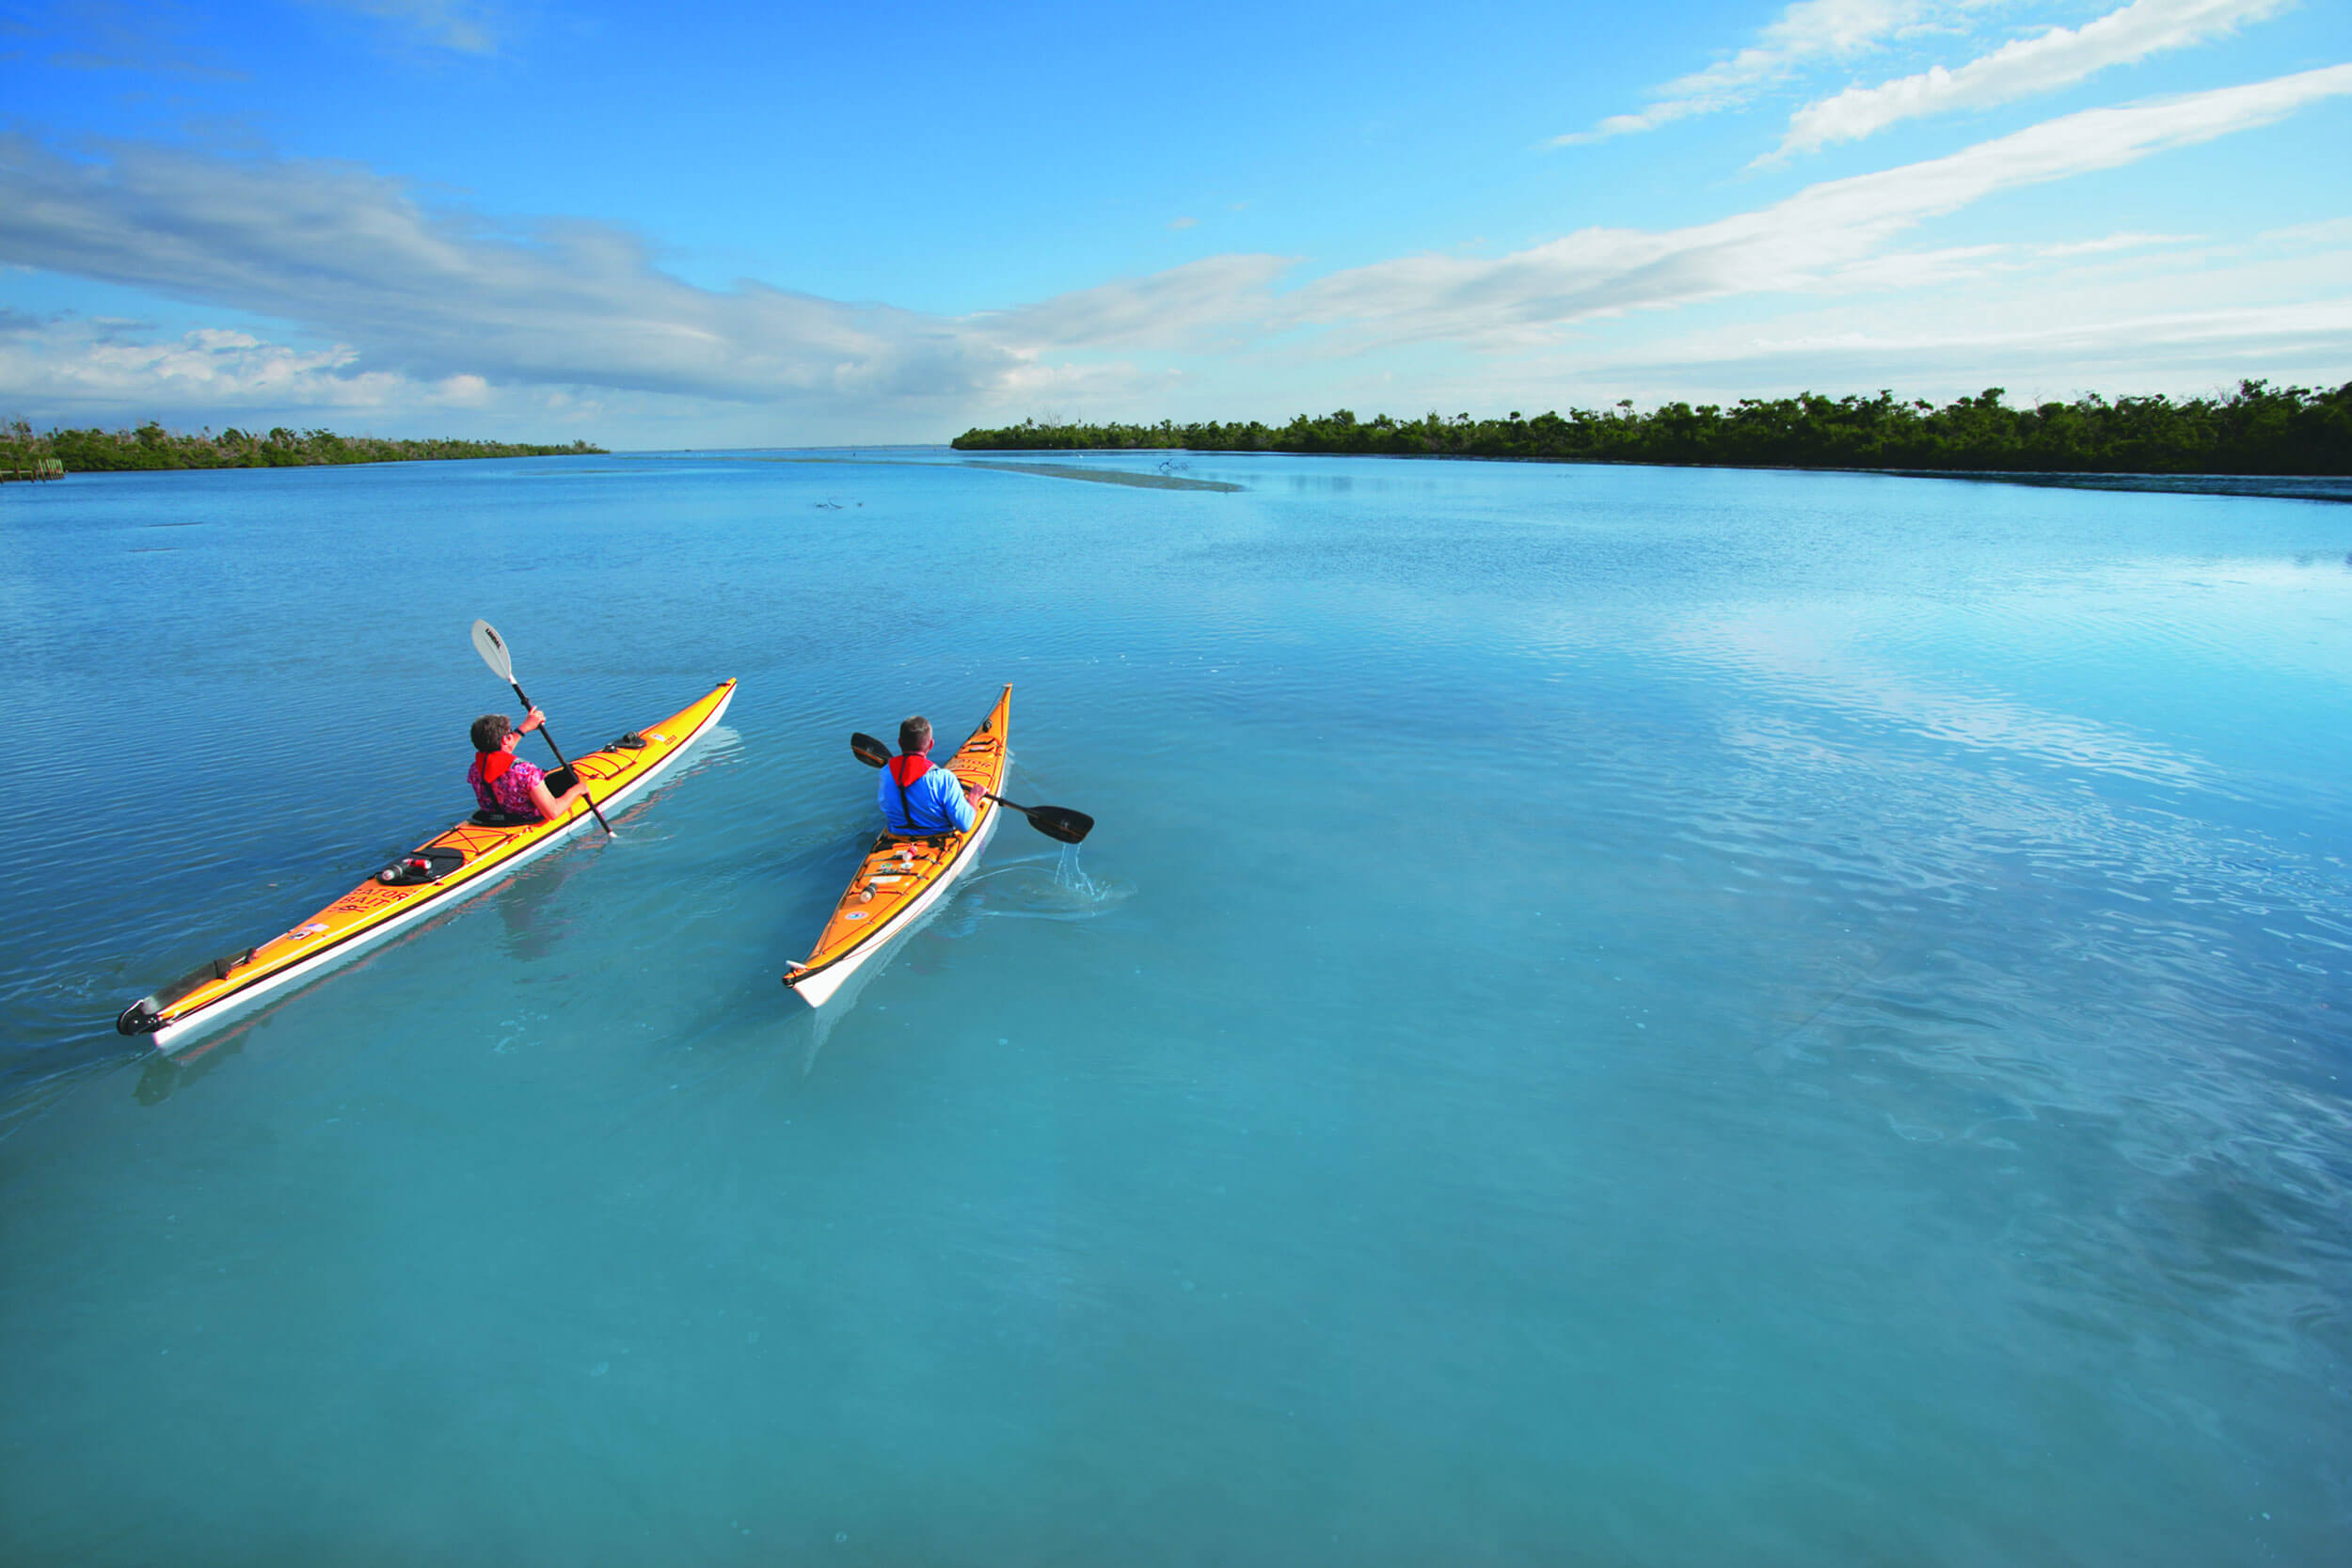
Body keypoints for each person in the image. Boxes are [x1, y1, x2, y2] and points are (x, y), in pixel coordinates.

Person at [468, 708, 594, 822]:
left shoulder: (475, 769)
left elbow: (500, 751)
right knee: (570, 778)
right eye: (510, 733)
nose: (512, 735)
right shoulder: (525, 771)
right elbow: (553, 813)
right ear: (506, 739)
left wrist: (525, 727)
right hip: (528, 819)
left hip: (495, 818)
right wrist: (578, 789)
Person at [879, 715, 982, 836]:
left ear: (899, 743)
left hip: (897, 834)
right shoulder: (944, 778)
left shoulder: (886, 772)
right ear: (931, 744)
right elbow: (965, 825)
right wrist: (974, 796)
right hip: (937, 838)